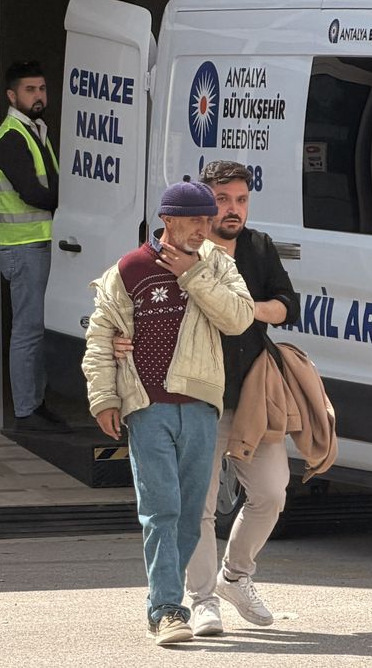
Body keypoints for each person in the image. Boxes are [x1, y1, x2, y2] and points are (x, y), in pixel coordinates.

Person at [115, 160, 299, 636]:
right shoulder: (163, 258)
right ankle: (200, 601)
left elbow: (284, 306)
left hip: (251, 395)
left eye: (241, 200)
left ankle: (235, 576)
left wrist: (241, 309)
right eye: (221, 201)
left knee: (271, 492)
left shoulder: (254, 249)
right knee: (196, 505)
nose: (231, 210)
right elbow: (129, 316)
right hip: (195, 399)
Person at [84, 179, 254, 646]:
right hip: (147, 407)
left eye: (208, 219)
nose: (204, 227)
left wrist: (192, 274)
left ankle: (171, 602)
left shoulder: (218, 264)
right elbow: (101, 336)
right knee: (159, 509)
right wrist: (104, 398)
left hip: (200, 406)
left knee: (186, 514)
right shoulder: (129, 270)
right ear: (168, 220)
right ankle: (164, 610)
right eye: (195, 219)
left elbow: (239, 318)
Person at [0, 60, 61, 430]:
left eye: (42, 89)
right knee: (28, 329)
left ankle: (37, 403)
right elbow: (34, 193)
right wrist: (72, 203)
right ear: (11, 95)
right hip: (24, 248)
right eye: (30, 90)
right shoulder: (12, 137)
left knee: (37, 328)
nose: (38, 96)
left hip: (39, 245)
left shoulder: (37, 132)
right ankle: (25, 410)